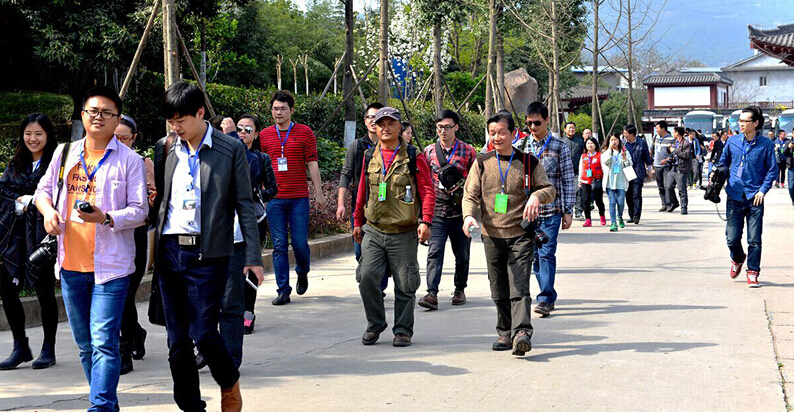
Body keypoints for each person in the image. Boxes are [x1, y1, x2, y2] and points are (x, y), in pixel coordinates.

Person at [152, 82, 264, 411]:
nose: (175, 127)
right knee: (176, 341)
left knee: (203, 330)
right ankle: (190, 406)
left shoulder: (230, 150)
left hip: (209, 253)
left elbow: (245, 204)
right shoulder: (166, 147)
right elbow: (163, 199)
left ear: (201, 113)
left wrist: (254, 257)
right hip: (170, 250)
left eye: (180, 120)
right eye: (170, 121)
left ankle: (229, 381)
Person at [35, 86, 148, 411]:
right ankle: (107, 405)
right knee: (85, 346)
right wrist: (48, 213)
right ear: (83, 116)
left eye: (106, 113)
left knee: (103, 343)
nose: (98, 117)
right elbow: (43, 190)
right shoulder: (65, 153)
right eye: (92, 111)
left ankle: (99, 406)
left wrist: (106, 217)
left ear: (117, 120)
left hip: (111, 269)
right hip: (70, 266)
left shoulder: (130, 160)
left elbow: (140, 211)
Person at [462, 111, 555, 356]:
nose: (497, 137)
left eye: (502, 132)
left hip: (520, 234)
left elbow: (548, 188)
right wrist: (469, 215)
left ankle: (522, 332)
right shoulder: (482, 162)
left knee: (519, 284)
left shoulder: (528, 162)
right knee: (498, 287)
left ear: (514, 133)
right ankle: (505, 332)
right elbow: (470, 194)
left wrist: (537, 195)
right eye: (492, 133)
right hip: (491, 235)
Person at [353, 107, 435, 348]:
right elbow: (362, 191)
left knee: (405, 283)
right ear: (374, 128)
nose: (386, 128)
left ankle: (402, 330)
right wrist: (357, 221)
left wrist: (426, 220)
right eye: (381, 124)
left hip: (404, 231)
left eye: (391, 123)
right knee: (366, 276)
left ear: (400, 127)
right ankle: (375, 323)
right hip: (374, 229)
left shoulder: (412, 155)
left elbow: (428, 190)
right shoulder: (370, 156)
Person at [0, 113, 59, 370]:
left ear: (48, 136)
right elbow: (3, 194)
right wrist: (18, 202)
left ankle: (49, 348)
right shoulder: (14, 164)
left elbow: (57, 197)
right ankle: (20, 345)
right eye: (28, 133)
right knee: (6, 289)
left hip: (41, 236)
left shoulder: (56, 163)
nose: (32, 139)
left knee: (45, 291)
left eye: (38, 134)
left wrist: (32, 201)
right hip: (12, 237)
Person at [217, 114, 277, 364]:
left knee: (249, 267)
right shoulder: (224, 153)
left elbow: (269, 185)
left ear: (256, 134)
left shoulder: (258, 157)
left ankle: (248, 311)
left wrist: (259, 197)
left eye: (247, 129)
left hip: (252, 220)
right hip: (224, 225)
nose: (242, 132)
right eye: (238, 129)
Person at [259, 90, 327, 305]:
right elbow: (258, 166)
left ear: (291, 110)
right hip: (275, 199)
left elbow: (312, 163)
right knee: (279, 245)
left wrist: (319, 193)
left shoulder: (305, 132)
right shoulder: (264, 135)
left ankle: (303, 270)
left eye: (283, 109)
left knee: (299, 243)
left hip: (298, 197)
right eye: (275, 109)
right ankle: (283, 290)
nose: (278, 113)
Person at [516, 102, 575, 318]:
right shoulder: (521, 146)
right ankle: (546, 292)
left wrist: (568, 210)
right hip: (527, 214)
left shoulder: (560, 147)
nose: (532, 127)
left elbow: (569, 180)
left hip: (551, 211)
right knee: (534, 255)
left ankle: (546, 298)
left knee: (547, 253)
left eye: (537, 122)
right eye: (529, 123)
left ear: (547, 120)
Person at [418, 110, 476, 310]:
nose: (443, 131)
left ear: (456, 127)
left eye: (447, 127)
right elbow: (423, 182)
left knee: (462, 254)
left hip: (460, 211)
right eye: (440, 127)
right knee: (434, 252)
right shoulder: (428, 152)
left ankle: (460, 289)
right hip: (437, 211)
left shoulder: (468, 151)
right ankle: (431, 293)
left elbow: (476, 181)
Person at [719, 106, 778, 287]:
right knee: (732, 238)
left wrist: (762, 190)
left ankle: (753, 271)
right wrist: (717, 175)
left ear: (756, 123)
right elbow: (723, 163)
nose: (741, 124)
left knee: (754, 239)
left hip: (755, 198)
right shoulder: (732, 142)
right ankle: (737, 258)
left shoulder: (766, 145)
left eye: (745, 121)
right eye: (740, 121)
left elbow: (772, 170)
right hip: (734, 196)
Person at [114, 114, 155, 375]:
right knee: (117, 295)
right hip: (108, 236)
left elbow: (152, 198)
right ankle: (134, 334)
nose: (118, 141)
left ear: (134, 139)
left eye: (123, 138)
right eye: (114, 137)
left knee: (126, 293)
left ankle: (125, 347)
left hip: (135, 236)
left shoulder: (143, 163)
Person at [336, 103, 387, 289]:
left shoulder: (391, 145)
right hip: (361, 207)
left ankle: (377, 289)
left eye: (378, 117)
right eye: (370, 117)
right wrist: (341, 203)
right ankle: (365, 268)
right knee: (359, 251)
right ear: (365, 121)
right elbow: (346, 174)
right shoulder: (356, 146)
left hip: (385, 208)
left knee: (380, 251)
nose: (373, 121)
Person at [602, 132, 633, 232]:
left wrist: (624, 159)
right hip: (609, 181)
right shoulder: (606, 152)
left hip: (621, 181)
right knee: (612, 202)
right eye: (611, 140)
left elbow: (629, 164)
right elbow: (605, 162)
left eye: (615, 139)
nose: (614, 142)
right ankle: (613, 222)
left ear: (619, 141)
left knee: (620, 202)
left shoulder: (624, 152)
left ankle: (619, 216)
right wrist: (610, 151)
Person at [623, 124, 652, 224]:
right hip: (626, 172)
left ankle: (636, 215)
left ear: (632, 134)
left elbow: (647, 157)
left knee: (636, 194)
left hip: (638, 171)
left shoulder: (642, 143)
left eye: (625, 133)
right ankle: (631, 215)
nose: (624, 135)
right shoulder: (623, 144)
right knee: (628, 194)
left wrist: (649, 170)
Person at [578, 137, 606, 227]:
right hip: (585, 180)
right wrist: (579, 180)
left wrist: (604, 180)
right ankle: (588, 219)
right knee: (585, 200)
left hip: (597, 179)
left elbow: (604, 168)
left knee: (598, 200)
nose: (590, 145)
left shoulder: (599, 155)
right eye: (588, 143)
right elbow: (581, 169)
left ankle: (602, 215)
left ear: (595, 145)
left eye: (592, 143)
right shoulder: (583, 156)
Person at [664, 127, 692, 214]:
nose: (673, 133)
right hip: (673, 168)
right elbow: (672, 153)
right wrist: (669, 150)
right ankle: (674, 203)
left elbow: (686, 155)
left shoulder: (686, 143)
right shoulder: (674, 142)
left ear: (677, 133)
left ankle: (684, 207)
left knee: (681, 189)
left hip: (681, 169)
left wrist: (674, 151)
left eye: (674, 132)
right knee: (668, 187)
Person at [561, 122, 585, 219]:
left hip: (577, 171)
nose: (571, 130)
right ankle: (567, 211)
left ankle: (578, 211)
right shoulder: (561, 141)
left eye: (573, 128)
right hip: (564, 170)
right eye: (569, 128)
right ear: (565, 129)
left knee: (578, 190)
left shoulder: (580, 141)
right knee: (565, 192)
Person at [651, 121, 675, 212]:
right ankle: (664, 204)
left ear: (663, 128)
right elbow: (651, 149)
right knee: (660, 186)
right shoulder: (655, 138)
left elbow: (674, 153)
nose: (656, 130)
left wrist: (667, 160)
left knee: (667, 186)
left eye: (657, 128)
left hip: (666, 166)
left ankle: (669, 204)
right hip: (657, 165)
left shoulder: (671, 139)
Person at [783, 132, 794, 206]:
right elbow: (784, 153)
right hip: (791, 167)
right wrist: (788, 147)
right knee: (791, 186)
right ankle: (793, 199)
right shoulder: (788, 142)